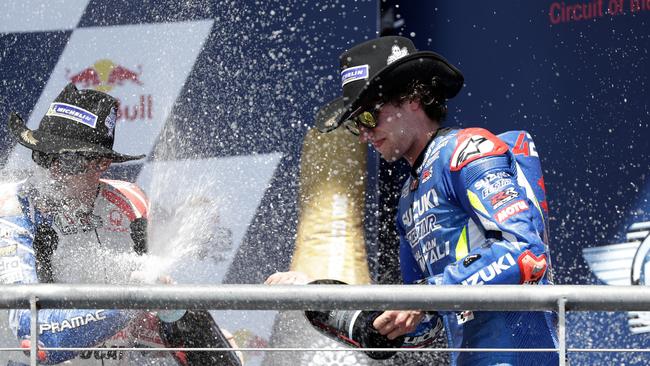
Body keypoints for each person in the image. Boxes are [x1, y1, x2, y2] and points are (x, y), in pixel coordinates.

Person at [270, 36, 558, 365]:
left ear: (413, 97)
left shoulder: (468, 150)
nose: (364, 134)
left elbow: (526, 252)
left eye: (367, 117)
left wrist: (424, 297)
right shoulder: (408, 201)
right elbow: (425, 324)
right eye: (354, 125)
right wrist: (343, 309)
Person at [0, 83, 241, 365]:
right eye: (43, 155)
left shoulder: (131, 203)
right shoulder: (12, 208)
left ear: (101, 164)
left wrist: (178, 315)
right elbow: (35, 338)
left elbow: (154, 310)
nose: (53, 171)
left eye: (67, 161)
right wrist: (130, 301)